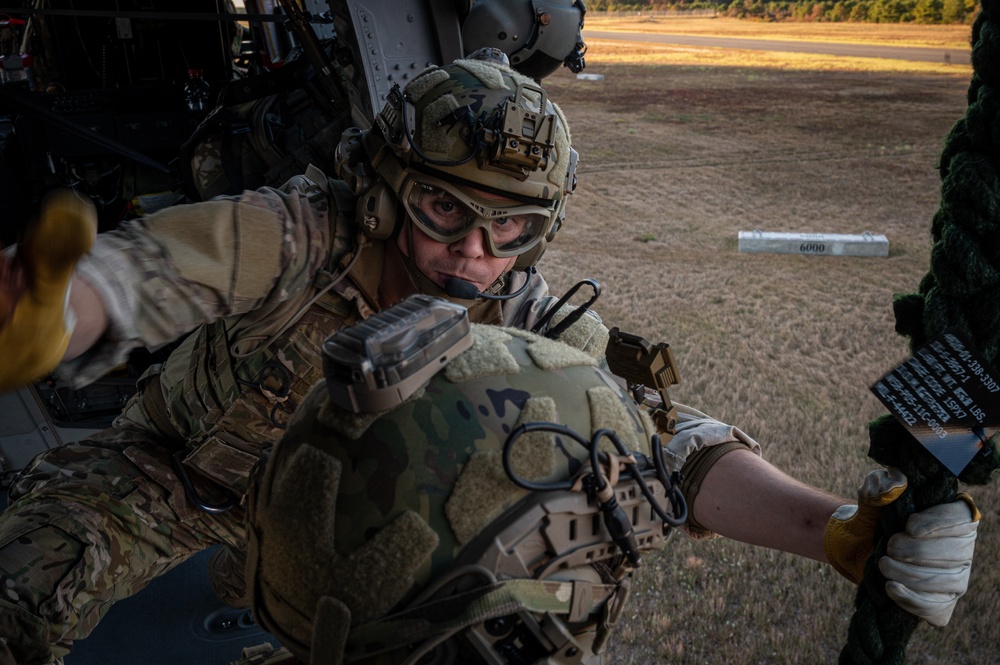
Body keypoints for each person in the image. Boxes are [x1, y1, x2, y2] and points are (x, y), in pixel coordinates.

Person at [0, 52, 980, 665]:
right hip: (160, 476)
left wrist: (837, 530)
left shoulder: (519, 312)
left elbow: (656, 441)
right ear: (386, 192)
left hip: (321, 533)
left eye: (511, 228)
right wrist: (68, 309)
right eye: (443, 212)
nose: (473, 253)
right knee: (24, 589)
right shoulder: (302, 232)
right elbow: (163, 266)